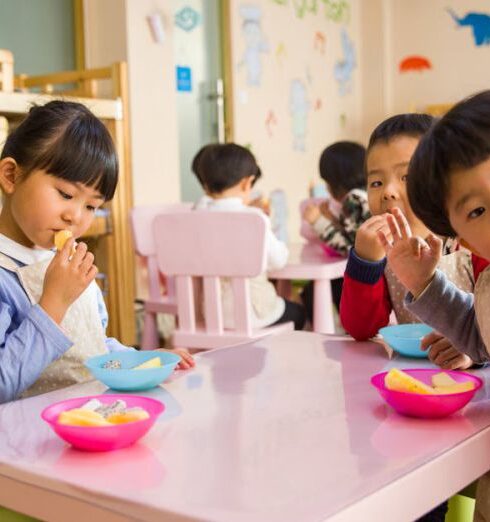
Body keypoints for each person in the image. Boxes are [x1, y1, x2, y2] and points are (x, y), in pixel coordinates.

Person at [0, 101, 193, 404]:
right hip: (22, 443)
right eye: (66, 194)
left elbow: (90, 349)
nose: (76, 217)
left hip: (84, 420)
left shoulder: (66, 261)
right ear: (11, 176)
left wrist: (139, 359)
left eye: (91, 206)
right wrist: (52, 305)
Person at [376, 91, 490, 522]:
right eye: (477, 210)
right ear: (458, 235)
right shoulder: (484, 275)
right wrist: (425, 282)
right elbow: (481, 338)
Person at [340, 113, 478, 371]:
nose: (388, 192)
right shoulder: (385, 249)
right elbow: (361, 329)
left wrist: (474, 352)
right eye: (376, 182)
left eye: (406, 177)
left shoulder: (473, 241)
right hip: (411, 373)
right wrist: (366, 262)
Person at [192, 143, 305, 330]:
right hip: (254, 314)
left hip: (212, 315)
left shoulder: (195, 215)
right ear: (246, 183)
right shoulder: (254, 218)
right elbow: (278, 260)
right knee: (298, 313)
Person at [301, 141, 369, 314]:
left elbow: (349, 248)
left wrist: (317, 221)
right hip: (373, 272)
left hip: (366, 277)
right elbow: (353, 232)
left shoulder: (354, 199)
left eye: (327, 181)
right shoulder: (365, 195)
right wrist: (330, 218)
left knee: (312, 292)